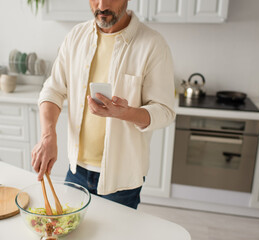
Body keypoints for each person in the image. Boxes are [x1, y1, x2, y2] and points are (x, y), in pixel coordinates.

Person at [31, 0, 175, 209]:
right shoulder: (76, 37)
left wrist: (126, 113)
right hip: (76, 171)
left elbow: (165, 111)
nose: (101, 5)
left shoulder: (152, 44)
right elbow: (53, 90)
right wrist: (47, 136)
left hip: (121, 179)